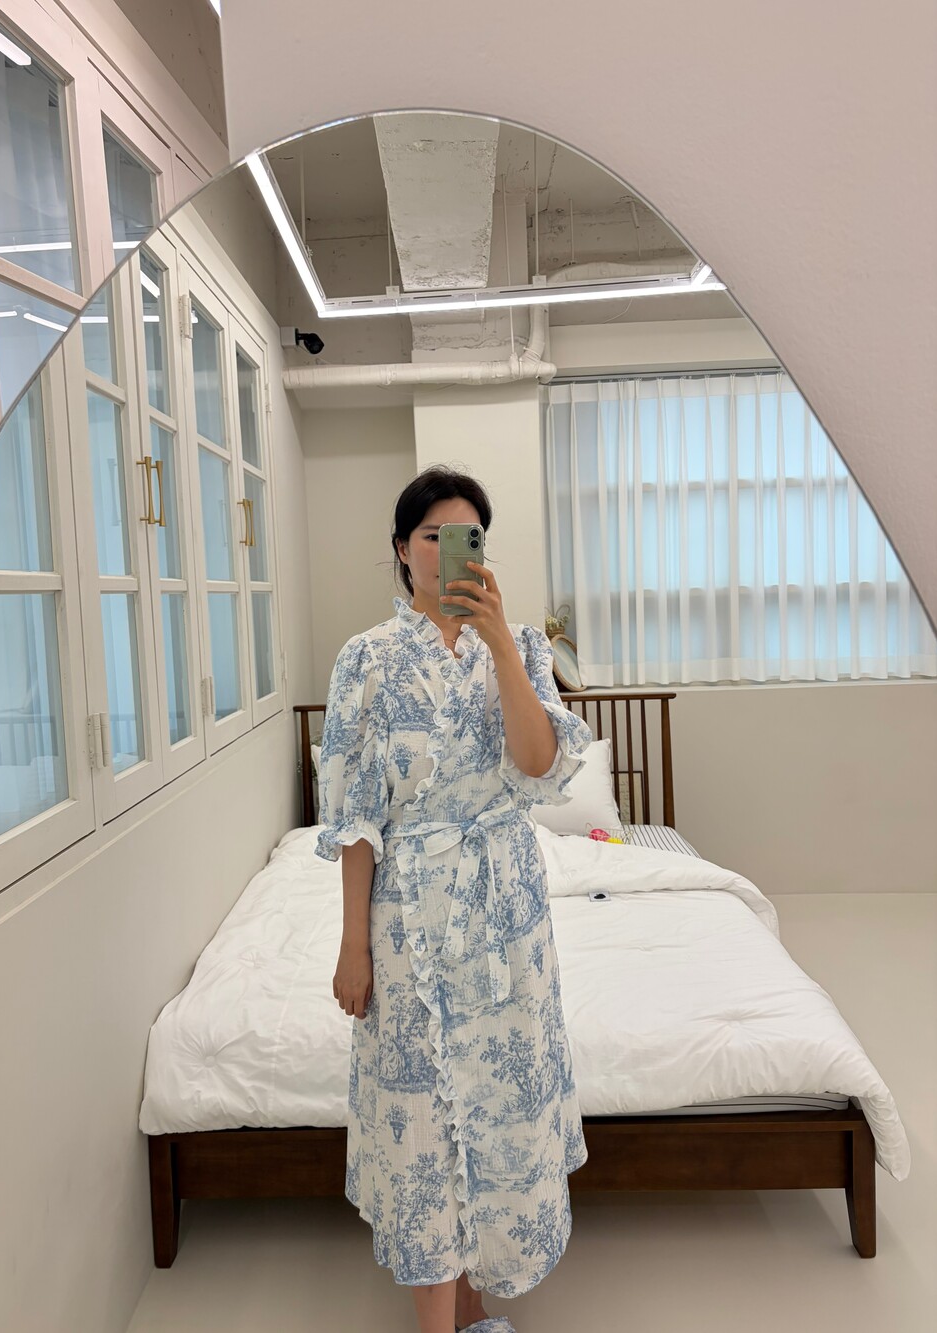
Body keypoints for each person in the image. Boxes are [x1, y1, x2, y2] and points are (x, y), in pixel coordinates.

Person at [316, 465, 592, 1333]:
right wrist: (353, 944)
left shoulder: (523, 648)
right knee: (423, 1126)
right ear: (402, 550)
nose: (446, 550)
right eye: (431, 534)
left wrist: (502, 642)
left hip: (506, 917)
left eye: (465, 535)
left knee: (495, 1107)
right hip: (409, 921)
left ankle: (474, 1312)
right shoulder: (365, 660)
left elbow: (538, 764)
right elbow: (357, 819)